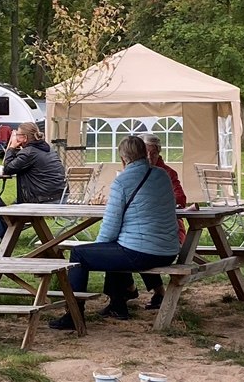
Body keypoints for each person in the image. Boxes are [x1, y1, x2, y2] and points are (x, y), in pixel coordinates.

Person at [49, 136, 180, 329]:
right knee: (114, 249)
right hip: (169, 251)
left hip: (142, 252)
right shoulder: (162, 175)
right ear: (146, 153)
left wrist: (98, 248)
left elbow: (110, 227)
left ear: (123, 158)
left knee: (80, 254)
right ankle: (118, 305)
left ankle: (74, 315)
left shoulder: (123, 181)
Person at [0, 123, 65, 204]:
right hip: (60, 195)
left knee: (10, 212)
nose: (15, 137)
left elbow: (8, 169)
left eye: (17, 134)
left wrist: (11, 148)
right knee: (11, 209)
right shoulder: (48, 148)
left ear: (24, 137)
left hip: (43, 198)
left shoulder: (29, 153)